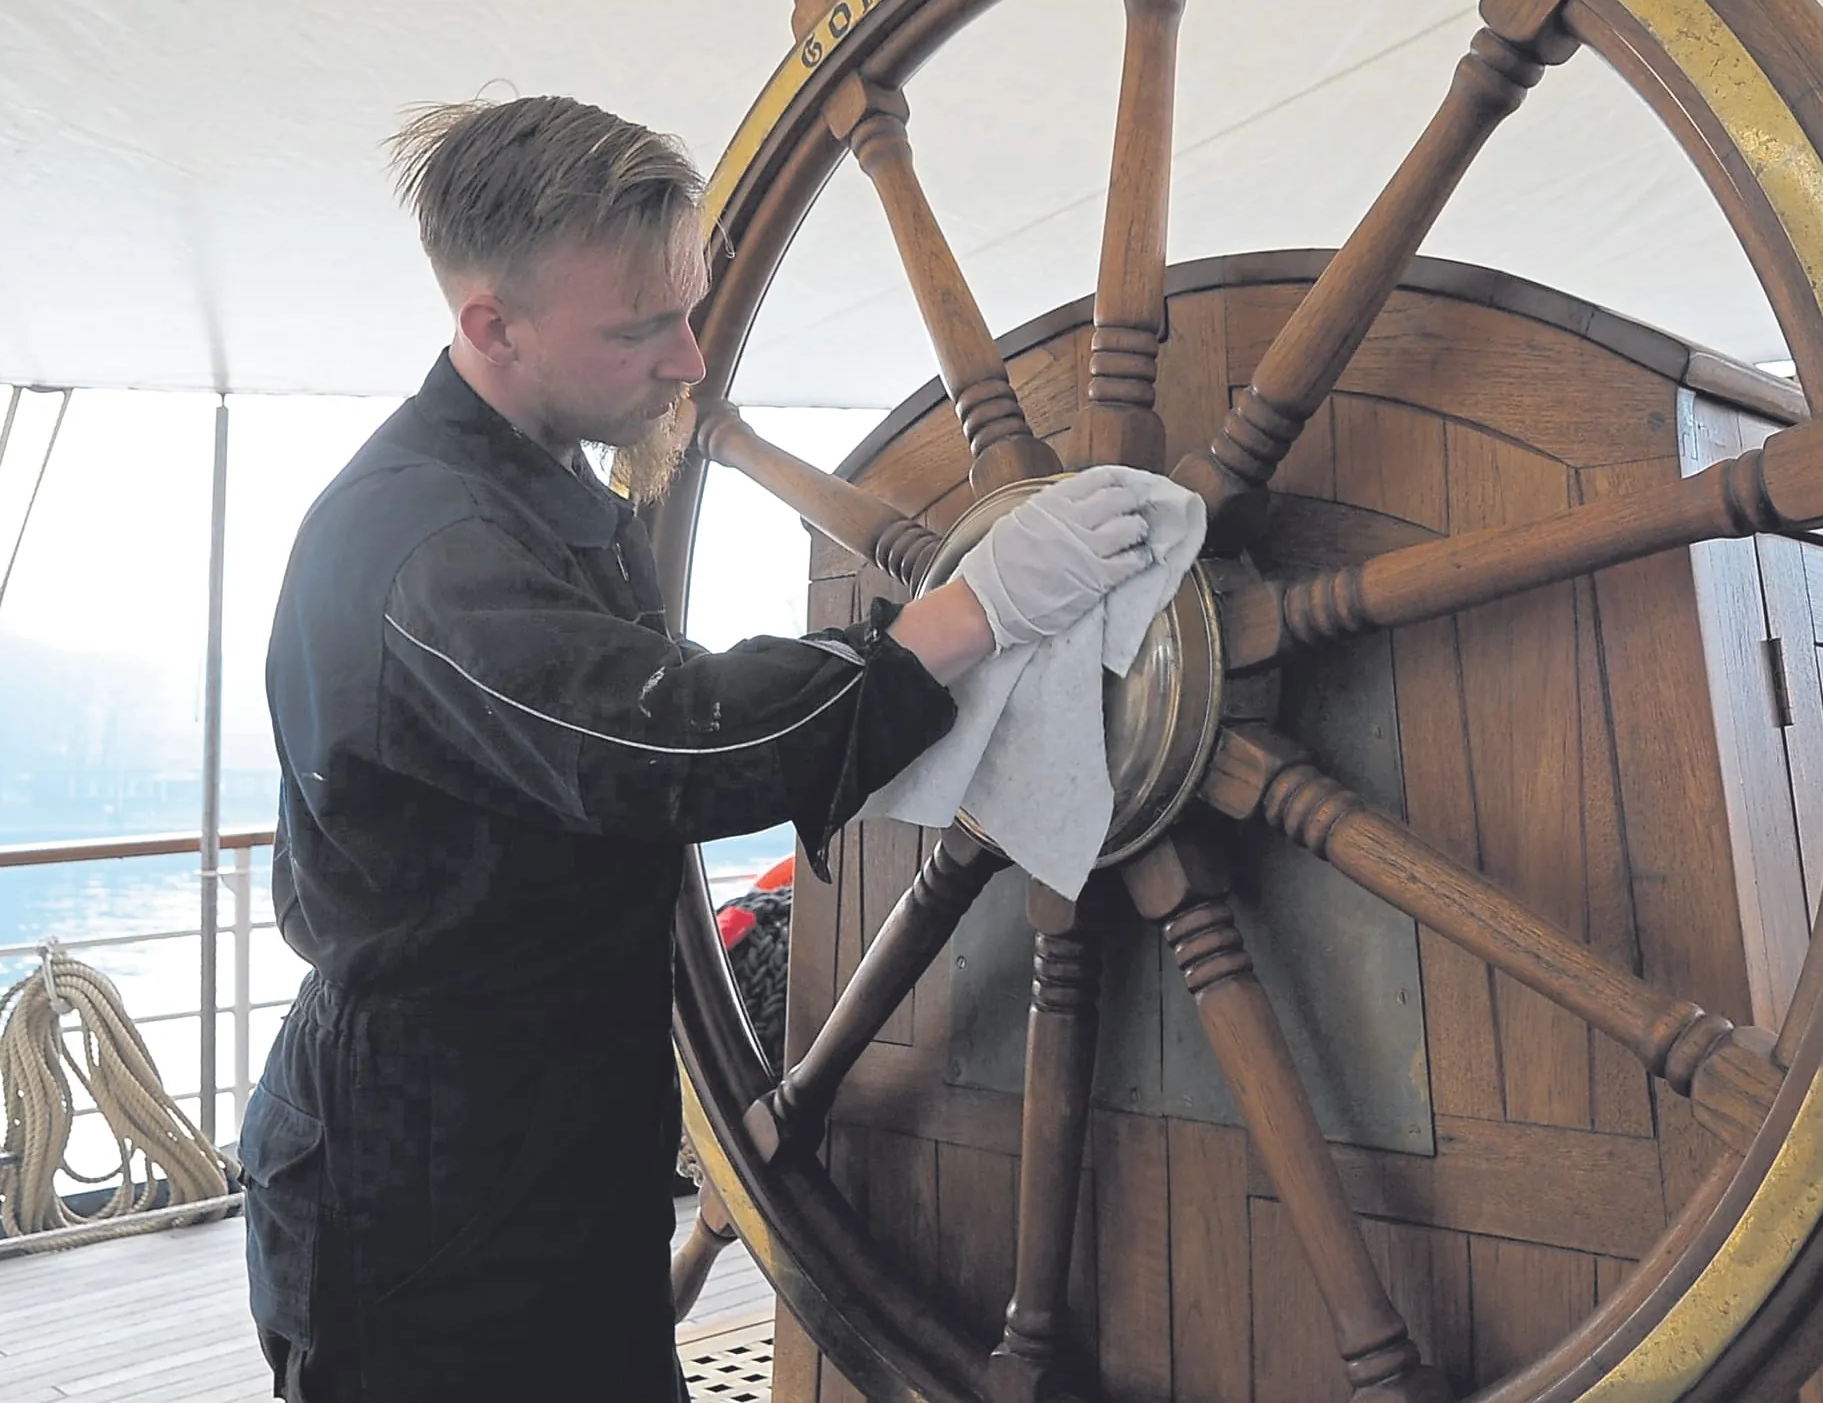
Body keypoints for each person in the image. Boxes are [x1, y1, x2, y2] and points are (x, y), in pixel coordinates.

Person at [243, 95, 1156, 1400]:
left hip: (554, 1126)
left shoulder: (534, 485)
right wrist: (964, 617)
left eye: (690, 307)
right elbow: (660, 742)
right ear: (492, 328)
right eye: (643, 328)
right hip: (426, 1175)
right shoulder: (424, 551)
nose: (688, 362)